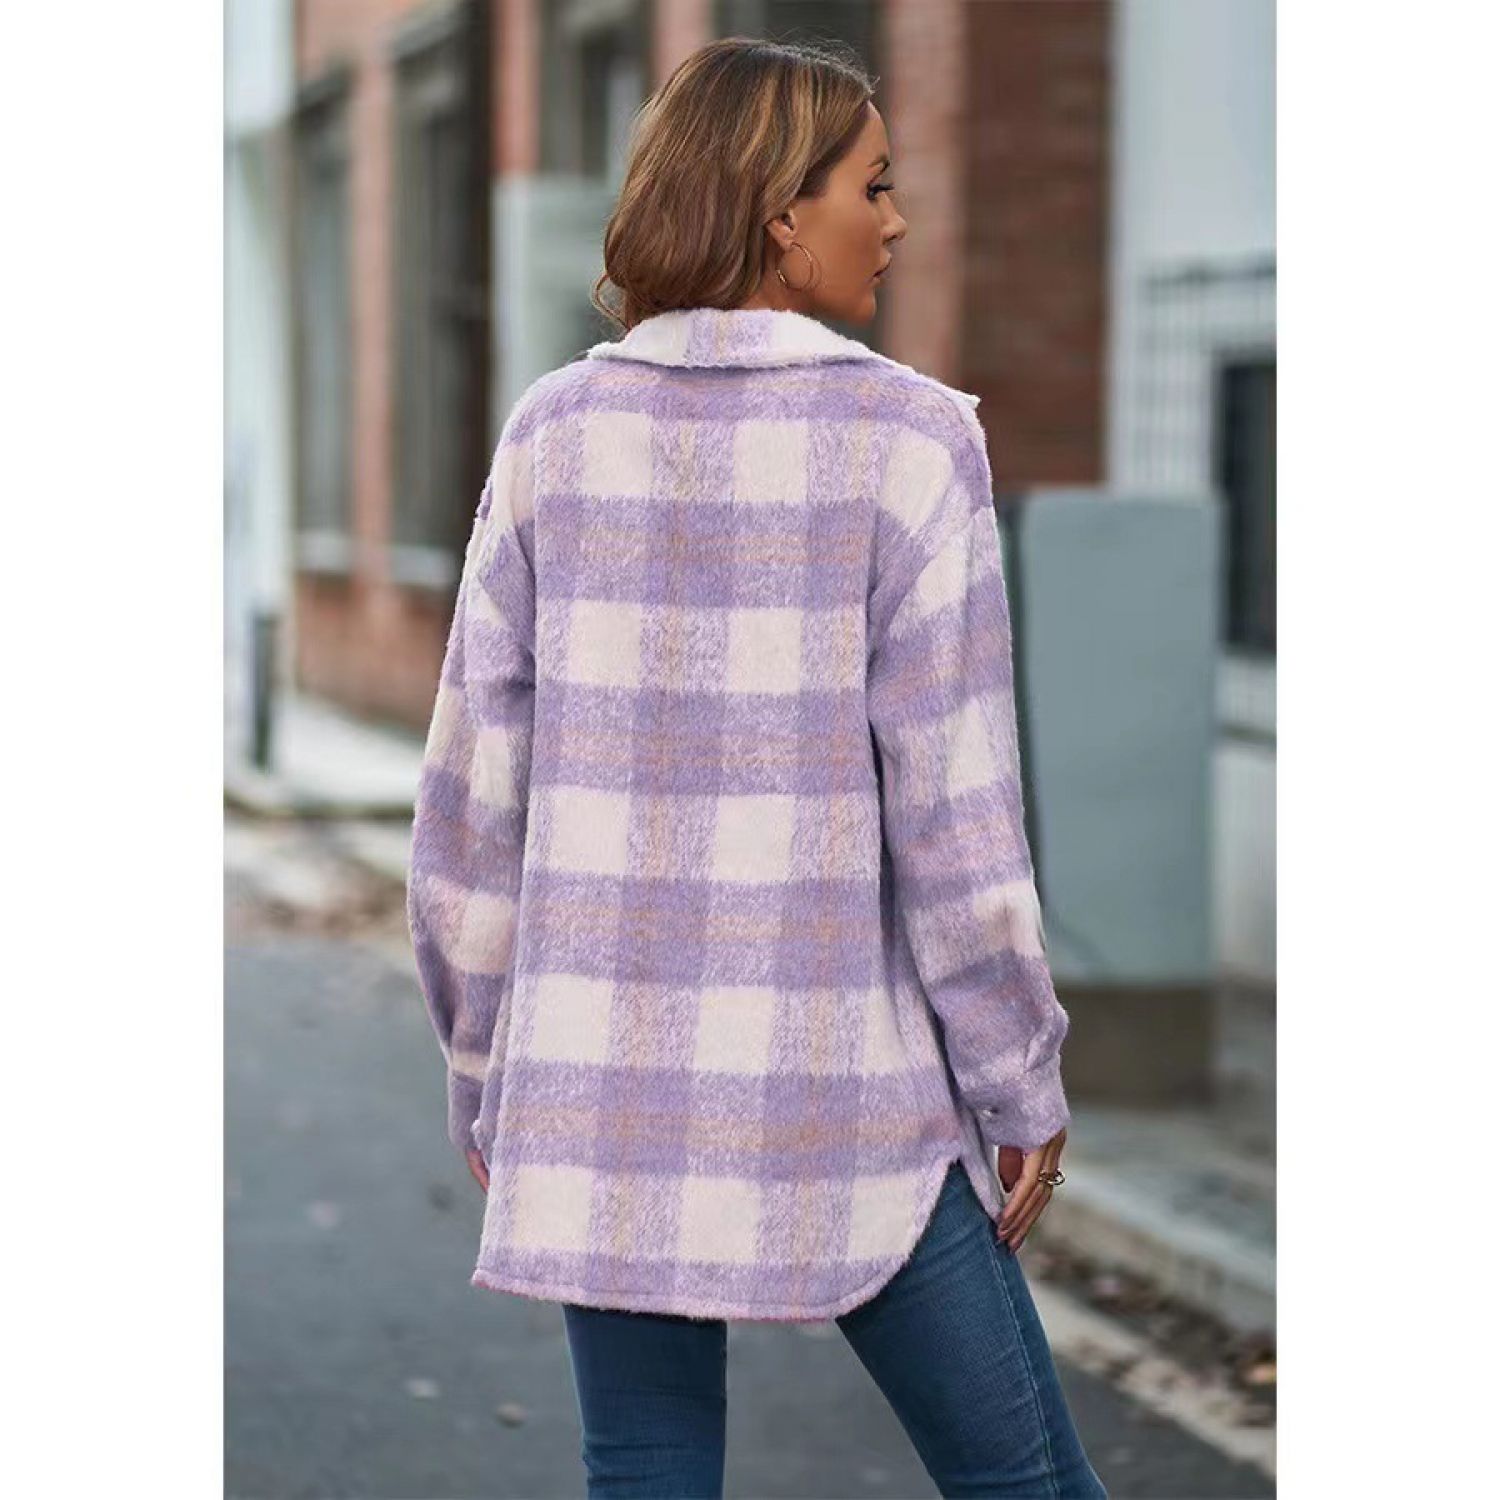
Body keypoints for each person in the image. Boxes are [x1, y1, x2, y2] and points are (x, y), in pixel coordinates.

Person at [407, 34, 1108, 1500]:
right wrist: (1017, 1075)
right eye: (874, 185)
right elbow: (957, 818)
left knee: (647, 1469)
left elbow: (471, 803)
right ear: (783, 214)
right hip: (845, 1089)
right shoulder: (910, 442)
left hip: (599, 1083)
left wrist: (488, 1064)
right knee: (1025, 1485)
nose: (896, 221)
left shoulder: (555, 435)